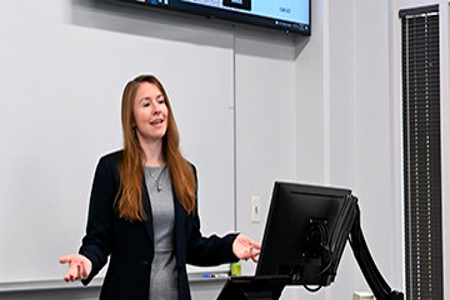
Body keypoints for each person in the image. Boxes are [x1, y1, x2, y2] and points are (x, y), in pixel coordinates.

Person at [59, 75, 261, 300]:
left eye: (161, 101)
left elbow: (191, 244)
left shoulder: (186, 172)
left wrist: (229, 245)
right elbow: (98, 239)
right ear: (132, 120)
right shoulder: (111, 169)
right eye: (146, 104)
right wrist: (86, 261)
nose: (157, 109)